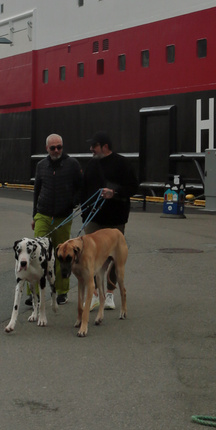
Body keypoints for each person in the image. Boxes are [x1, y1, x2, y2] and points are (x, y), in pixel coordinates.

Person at [81, 131, 139, 310]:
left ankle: (110, 294)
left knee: (114, 257)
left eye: (94, 146)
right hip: (94, 218)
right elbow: (84, 189)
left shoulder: (122, 163)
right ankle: (95, 294)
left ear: (105, 146)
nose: (91, 149)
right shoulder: (91, 164)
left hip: (115, 218)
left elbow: (133, 187)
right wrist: (84, 212)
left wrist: (114, 193)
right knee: (90, 256)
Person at [31, 133, 83, 306]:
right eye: (53, 147)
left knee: (63, 255)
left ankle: (62, 291)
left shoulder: (72, 164)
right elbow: (36, 191)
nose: (56, 150)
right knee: (38, 252)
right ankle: (35, 293)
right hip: (43, 214)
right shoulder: (41, 166)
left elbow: (80, 187)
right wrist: (34, 215)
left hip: (63, 216)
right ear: (47, 148)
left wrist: (73, 203)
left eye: (59, 147)